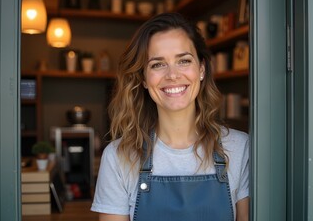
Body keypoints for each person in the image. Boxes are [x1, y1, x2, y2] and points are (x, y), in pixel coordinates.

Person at [91, 12, 249, 221]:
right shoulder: (119, 157)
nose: (172, 75)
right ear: (144, 78)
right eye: (157, 64)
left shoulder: (239, 148)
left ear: (201, 69)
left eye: (183, 61)